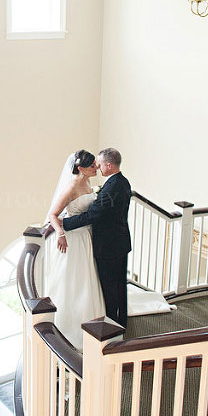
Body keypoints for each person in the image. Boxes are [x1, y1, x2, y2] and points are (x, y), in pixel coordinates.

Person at [62, 148, 131, 328]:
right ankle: (122, 319)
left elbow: (93, 215)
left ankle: (112, 325)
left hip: (108, 245)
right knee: (120, 284)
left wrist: (65, 224)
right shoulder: (123, 182)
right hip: (120, 241)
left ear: (109, 165)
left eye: (99, 164)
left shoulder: (112, 186)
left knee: (109, 287)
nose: (98, 167)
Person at [45, 150, 106, 349]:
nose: (96, 167)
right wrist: (60, 235)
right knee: (74, 282)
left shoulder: (89, 183)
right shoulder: (71, 187)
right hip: (73, 240)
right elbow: (53, 215)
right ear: (80, 169)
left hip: (86, 237)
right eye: (91, 166)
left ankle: (93, 323)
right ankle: (69, 329)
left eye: (96, 164)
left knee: (88, 280)